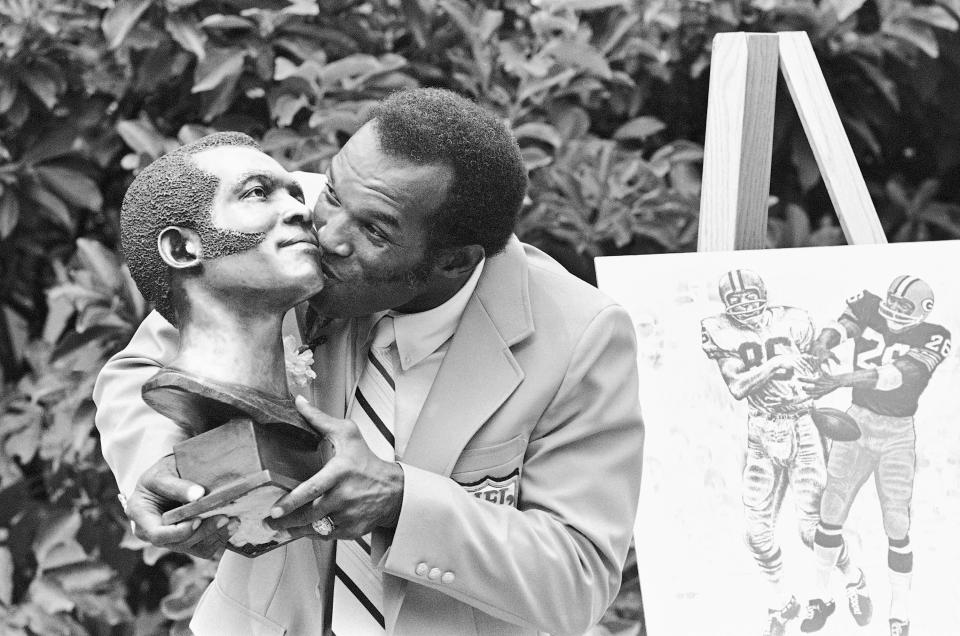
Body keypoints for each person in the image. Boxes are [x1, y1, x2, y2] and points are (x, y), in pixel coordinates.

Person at [93, 88, 644, 636]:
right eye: (332, 191)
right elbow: (140, 369)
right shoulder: (283, 228)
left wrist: (400, 502)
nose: (326, 236)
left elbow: (578, 577)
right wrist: (155, 464)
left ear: (454, 262)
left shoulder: (581, 336)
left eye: (374, 232)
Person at [700, 269, 853, 636]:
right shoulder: (721, 331)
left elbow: (819, 367)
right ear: (726, 305)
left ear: (762, 295)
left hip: (803, 425)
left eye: (750, 297)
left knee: (811, 529)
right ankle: (782, 602)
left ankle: (852, 580)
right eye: (735, 300)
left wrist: (818, 374)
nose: (744, 304)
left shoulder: (794, 320)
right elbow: (737, 386)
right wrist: (776, 364)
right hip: (763, 431)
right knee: (756, 533)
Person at [800, 275, 951, 636]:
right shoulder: (871, 305)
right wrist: (824, 341)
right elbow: (847, 324)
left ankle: (899, 613)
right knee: (830, 510)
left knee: (897, 522)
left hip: (897, 431)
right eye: (892, 303)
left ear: (921, 310)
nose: (895, 311)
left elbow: (897, 376)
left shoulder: (935, 335)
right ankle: (822, 598)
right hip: (857, 420)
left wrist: (839, 380)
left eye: (904, 307)